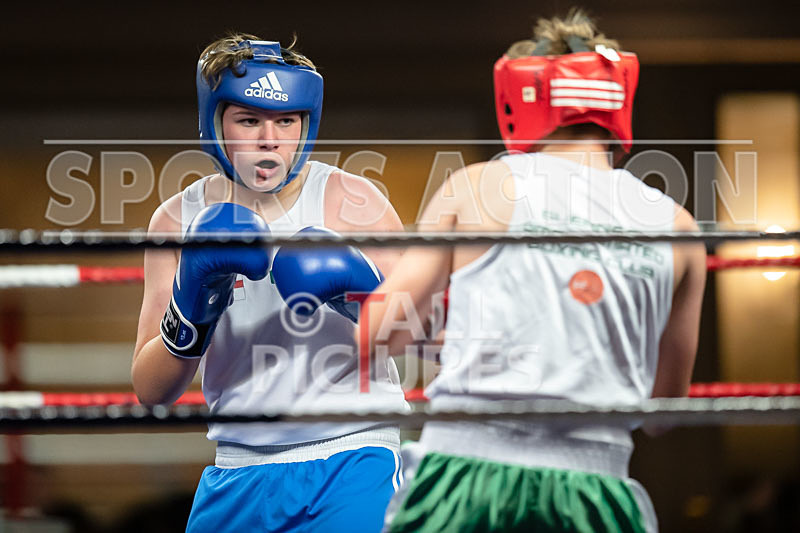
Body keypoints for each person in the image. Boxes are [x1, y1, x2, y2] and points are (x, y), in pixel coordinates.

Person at [360, 10, 706, 533]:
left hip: (468, 477)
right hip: (600, 491)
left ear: (524, 98)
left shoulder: (480, 187)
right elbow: (662, 413)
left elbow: (377, 339)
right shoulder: (678, 228)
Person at [131, 33, 408, 532]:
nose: (269, 138)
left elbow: (435, 337)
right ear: (214, 122)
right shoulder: (177, 220)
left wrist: (362, 293)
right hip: (238, 467)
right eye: (249, 120)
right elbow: (151, 390)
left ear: (307, 123)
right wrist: (192, 307)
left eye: (286, 120)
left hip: (353, 455)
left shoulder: (353, 201)